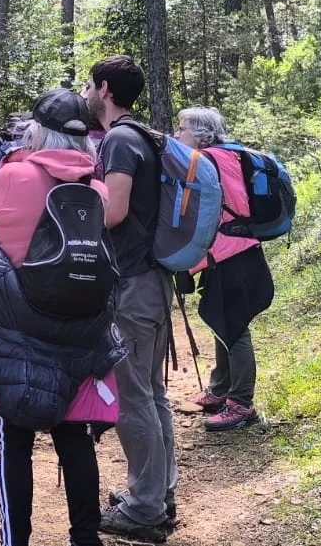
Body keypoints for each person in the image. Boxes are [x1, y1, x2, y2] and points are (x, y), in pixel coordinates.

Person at [0, 89, 117, 546]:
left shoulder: (13, 176)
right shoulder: (97, 190)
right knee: (73, 434)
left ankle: (16, 540)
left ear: (37, 132)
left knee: (16, 437)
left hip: (15, 326)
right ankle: (86, 537)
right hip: (78, 324)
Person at [81, 55, 179, 542]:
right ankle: (158, 493)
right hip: (153, 282)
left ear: (103, 89)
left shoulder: (119, 139)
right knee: (152, 393)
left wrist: (75, 217)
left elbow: (114, 212)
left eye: (88, 84)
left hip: (134, 284)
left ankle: (144, 509)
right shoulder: (145, 135)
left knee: (133, 396)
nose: (85, 91)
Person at [176, 107, 274, 431]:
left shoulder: (210, 161)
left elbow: (211, 214)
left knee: (235, 326)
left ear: (202, 133)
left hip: (233, 253)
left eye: (183, 128)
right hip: (231, 252)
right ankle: (220, 390)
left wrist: (184, 259)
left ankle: (241, 404)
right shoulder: (223, 157)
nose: (178, 135)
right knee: (223, 320)